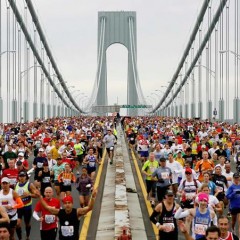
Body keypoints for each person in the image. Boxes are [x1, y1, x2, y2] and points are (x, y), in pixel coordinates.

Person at [15, 171, 38, 240]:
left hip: (27, 207)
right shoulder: (16, 185)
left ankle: (27, 236)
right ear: (18, 177)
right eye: (20, 176)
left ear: (26, 177)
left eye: (23, 176)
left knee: (27, 224)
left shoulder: (29, 185)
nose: (22, 178)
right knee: (17, 224)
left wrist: (29, 194)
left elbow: (36, 195)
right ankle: (20, 238)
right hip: (19, 207)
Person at [226, 172, 240, 237]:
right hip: (233, 206)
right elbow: (227, 196)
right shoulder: (231, 187)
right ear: (233, 178)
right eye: (235, 178)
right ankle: (233, 229)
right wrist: (233, 193)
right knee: (233, 221)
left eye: (238, 178)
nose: (237, 179)